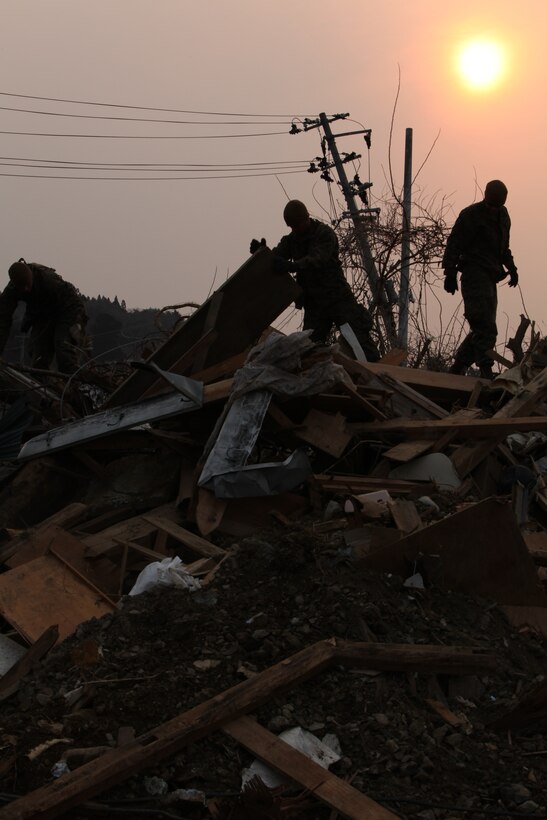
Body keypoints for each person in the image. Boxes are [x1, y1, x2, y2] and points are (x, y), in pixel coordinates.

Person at [250, 200, 379, 361]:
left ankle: (380, 371)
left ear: (306, 218)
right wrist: (261, 254)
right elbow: (276, 258)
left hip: (337, 299)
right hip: (315, 305)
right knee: (309, 349)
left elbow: (317, 259)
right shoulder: (292, 239)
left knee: (359, 339)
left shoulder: (324, 234)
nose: (295, 229)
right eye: (292, 227)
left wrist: (291, 266)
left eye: (297, 225)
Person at [442, 179, 518, 379]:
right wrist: (449, 274)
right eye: (493, 202)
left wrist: (512, 268)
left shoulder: (503, 216)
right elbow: (454, 244)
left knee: (481, 327)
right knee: (484, 326)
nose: (495, 206)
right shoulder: (471, 215)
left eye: (500, 202)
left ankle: (456, 370)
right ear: (486, 195)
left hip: (491, 276)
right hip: (473, 274)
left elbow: (504, 248)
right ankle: (486, 370)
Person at [0, 259, 88, 373]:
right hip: (44, 314)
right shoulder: (11, 291)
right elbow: (3, 321)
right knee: (38, 358)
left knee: (63, 350)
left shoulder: (48, 281)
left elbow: (75, 307)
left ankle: (74, 384)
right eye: (22, 287)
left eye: (27, 285)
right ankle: (44, 385)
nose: (26, 289)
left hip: (68, 309)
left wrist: (76, 325)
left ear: (31, 278)